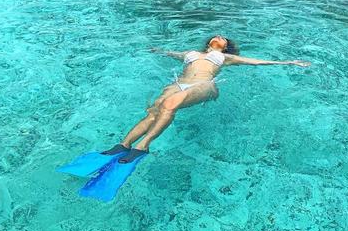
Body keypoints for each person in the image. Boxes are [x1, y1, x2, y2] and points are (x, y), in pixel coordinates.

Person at [104, 35, 311, 163]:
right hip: (179, 82)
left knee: (169, 104)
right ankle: (125, 144)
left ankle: (144, 145)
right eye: (217, 35)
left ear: (226, 47)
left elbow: (255, 62)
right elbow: (171, 53)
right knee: (154, 110)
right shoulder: (191, 53)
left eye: (224, 39)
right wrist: (156, 50)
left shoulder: (225, 57)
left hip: (203, 85)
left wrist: (288, 62)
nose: (220, 36)